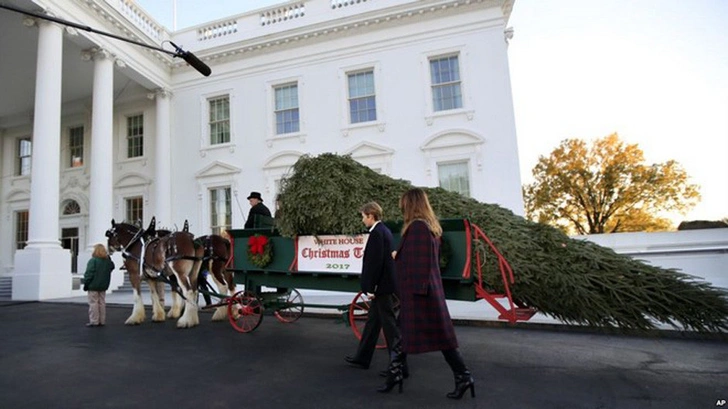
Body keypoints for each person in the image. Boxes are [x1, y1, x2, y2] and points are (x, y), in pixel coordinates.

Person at [388, 188, 475, 399]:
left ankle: (464, 377)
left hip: (420, 294)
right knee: (406, 333)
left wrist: (396, 257)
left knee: (440, 339)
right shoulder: (429, 227)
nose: (402, 208)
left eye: (404, 204)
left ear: (411, 205)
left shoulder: (417, 227)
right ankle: (394, 374)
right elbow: (425, 259)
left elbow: (419, 263)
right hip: (426, 292)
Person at [344, 202, 406, 393]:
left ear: (371, 215)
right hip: (385, 285)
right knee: (373, 323)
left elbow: (375, 263)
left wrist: (370, 287)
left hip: (382, 287)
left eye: (363, 216)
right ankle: (362, 357)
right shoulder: (384, 231)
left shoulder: (377, 233)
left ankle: (400, 367)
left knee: (390, 327)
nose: (362, 219)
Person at [83, 243, 116, 327]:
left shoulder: (93, 261)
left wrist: (86, 283)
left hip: (93, 285)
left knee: (93, 303)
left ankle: (94, 321)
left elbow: (89, 273)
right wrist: (109, 258)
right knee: (102, 303)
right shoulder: (107, 262)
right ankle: (102, 320)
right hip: (103, 286)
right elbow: (112, 266)